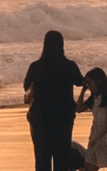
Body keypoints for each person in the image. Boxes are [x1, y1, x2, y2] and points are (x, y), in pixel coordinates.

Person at [23, 30, 84, 171]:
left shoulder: (35, 66)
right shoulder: (69, 65)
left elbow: (26, 86)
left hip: (40, 116)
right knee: (62, 157)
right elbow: (80, 82)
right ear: (62, 45)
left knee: (42, 158)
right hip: (64, 116)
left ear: (44, 45)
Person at [76, 68, 107, 171]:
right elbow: (79, 108)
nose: (89, 87)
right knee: (90, 163)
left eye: (90, 83)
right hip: (95, 131)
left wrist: (100, 136)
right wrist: (83, 91)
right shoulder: (93, 99)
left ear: (98, 81)